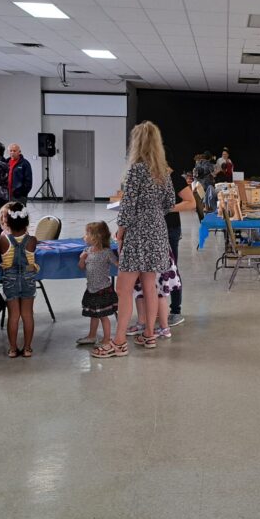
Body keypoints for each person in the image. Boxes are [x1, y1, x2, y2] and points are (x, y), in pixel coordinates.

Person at [94, 121, 175, 357]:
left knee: (124, 288)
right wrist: (153, 213)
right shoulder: (164, 171)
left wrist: (120, 231)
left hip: (137, 233)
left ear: (136, 143)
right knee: (150, 286)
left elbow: (127, 206)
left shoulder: (136, 170)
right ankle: (150, 334)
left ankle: (118, 342)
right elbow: (170, 202)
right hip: (158, 231)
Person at [0, 202, 38, 357]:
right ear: (27, 222)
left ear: (6, 222)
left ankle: (13, 348)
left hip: (10, 279)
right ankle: (27, 348)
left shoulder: (2, 240)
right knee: (27, 314)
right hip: (28, 278)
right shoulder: (32, 240)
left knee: (13, 315)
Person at [77, 221, 120, 349]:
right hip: (91, 289)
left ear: (97, 237)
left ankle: (107, 338)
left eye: (87, 234)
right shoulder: (87, 251)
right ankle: (92, 335)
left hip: (103, 289)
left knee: (103, 316)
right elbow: (81, 267)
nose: (85, 236)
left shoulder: (106, 252)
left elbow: (117, 264)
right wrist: (82, 258)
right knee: (93, 314)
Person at [165, 162, 194, 326]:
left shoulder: (175, 179)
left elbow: (191, 203)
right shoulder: (151, 178)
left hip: (171, 229)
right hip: (153, 230)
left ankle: (176, 310)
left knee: (172, 269)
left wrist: (168, 208)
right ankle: (156, 308)